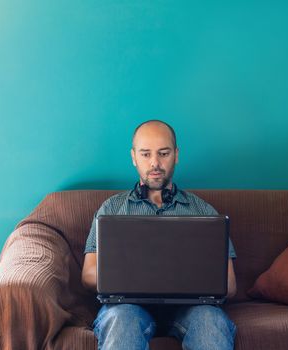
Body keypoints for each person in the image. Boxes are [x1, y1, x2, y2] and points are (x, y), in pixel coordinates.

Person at [81, 120, 238, 350]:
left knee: (210, 321)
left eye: (163, 153)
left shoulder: (203, 211)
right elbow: (88, 275)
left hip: (193, 309)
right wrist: (139, 274)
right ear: (134, 157)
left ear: (176, 155)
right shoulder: (111, 210)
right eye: (146, 154)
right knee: (121, 320)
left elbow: (230, 283)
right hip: (128, 307)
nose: (155, 163)